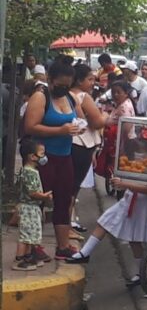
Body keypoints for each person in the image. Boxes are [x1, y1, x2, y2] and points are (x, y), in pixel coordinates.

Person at [23, 59, 86, 259]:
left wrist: (78, 127)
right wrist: (60, 130)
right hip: (44, 157)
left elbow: (80, 118)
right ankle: (33, 247)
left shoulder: (70, 98)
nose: (63, 89)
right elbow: (30, 127)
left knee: (63, 200)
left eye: (67, 85)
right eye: (59, 84)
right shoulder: (41, 97)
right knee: (39, 201)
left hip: (65, 156)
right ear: (50, 80)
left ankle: (63, 246)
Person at [66, 176, 147, 286]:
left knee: (134, 240)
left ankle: (143, 273)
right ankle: (85, 253)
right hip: (128, 198)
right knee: (105, 221)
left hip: (141, 205)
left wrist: (124, 184)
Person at [70, 64, 106, 236]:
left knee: (68, 184)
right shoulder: (83, 97)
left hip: (70, 143)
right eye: (90, 79)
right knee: (73, 185)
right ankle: (68, 221)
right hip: (81, 144)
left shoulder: (65, 96)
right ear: (79, 80)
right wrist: (106, 116)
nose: (93, 83)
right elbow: (97, 122)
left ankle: (69, 218)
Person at [13, 139, 53, 271]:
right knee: (25, 236)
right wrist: (45, 196)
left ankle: (28, 256)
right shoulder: (29, 172)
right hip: (28, 207)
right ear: (32, 156)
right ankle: (19, 259)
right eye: (42, 153)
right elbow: (32, 192)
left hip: (33, 207)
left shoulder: (32, 170)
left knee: (31, 235)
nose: (44, 157)